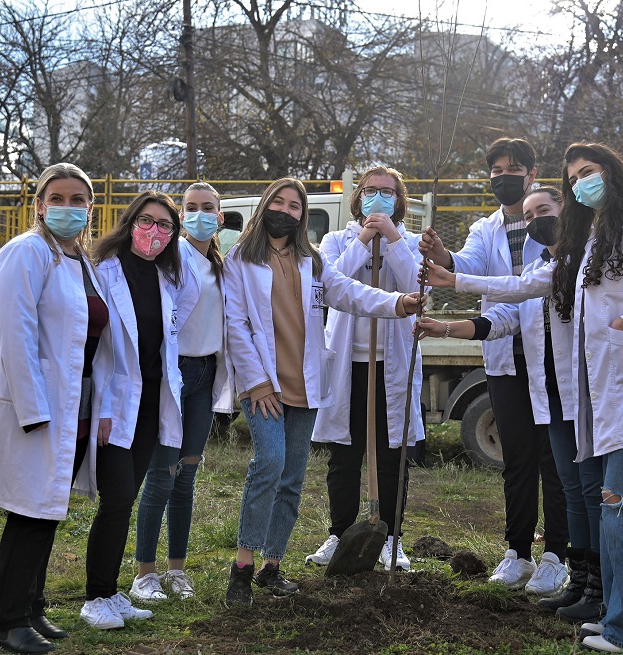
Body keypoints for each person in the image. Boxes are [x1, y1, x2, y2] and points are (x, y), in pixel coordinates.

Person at [428, 143, 623, 653]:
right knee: (613, 512)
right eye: (573, 177)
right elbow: (524, 286)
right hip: (609, 393)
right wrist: (455, 279)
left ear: (611, 174)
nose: (581, 184)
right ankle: (617, 618)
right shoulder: (592, 240)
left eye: (588, 172)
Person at [223, 177, 424, 607]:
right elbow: (235, 324)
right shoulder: (240, 258)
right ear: (264, 206)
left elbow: (348, 292)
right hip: (264, 384)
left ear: (301, 216)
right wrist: (256, 382)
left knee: (292, 478)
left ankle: (272, 565)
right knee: (269, 464)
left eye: (295, 206)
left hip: (305, 383)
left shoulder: (310, 260)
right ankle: (242, 567)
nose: (286, 211)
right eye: (279, 202)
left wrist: (396, 304)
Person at [420, 186, 605, 621]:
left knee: (584, 486)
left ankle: (584, 575)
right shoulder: (542, 267)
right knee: (568, 483)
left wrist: (453, 280)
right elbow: (504, 315)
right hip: (547, 389)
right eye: (530, 215)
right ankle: (579, 580)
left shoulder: (583, 261)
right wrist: (443, 328)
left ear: (566, 210)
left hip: (583, 388)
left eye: (544, 210)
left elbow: (516, 288)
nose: (536, 220)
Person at [0, 163, 112, 655]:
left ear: (90, 208)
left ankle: (33, 606)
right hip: (38, 405)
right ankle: (8, 621)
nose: (68, 208)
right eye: (57, 198)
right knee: (29, 512)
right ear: (39, 205)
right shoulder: (25, 252)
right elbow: (12, 334)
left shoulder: (80, 261)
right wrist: (33, 409)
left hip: (73, 403)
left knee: (47, 508)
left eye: (78, 199)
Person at [419, 138, 569, 596]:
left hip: (552, 356)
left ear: (531, 173)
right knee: (516, 457)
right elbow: (467, 265)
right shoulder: (485, 229)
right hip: (506, 355)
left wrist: (455, 276)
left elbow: (527, 286)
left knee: (555, 459)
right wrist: (443, 256)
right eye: (496, 170)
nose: (504, 176)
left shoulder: (552, 225)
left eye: (513, 169)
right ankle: (518, 552)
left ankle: (556, 556)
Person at [308, 166, 424, 572]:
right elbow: (330, 280)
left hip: (391, 362)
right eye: (370, 190)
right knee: (344, 454)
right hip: (348, 361)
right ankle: (339, 533)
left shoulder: (409, 242)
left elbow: (417, 285)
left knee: (392, 454)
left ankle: (391, 538)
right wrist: (363, 240)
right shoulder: (335, 240)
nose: (378, 197)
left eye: (387, 192)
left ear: (399, 200)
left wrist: (392, 239)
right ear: (358, 197)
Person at [79, 191, 184, 629]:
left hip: (150, 404)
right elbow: (96, 346)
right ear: (129, 223)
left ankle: (109, 591)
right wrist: (102, 407)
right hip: (114, 403)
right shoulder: (104, 271)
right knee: (117, 497)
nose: (154, 231)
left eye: (165, 225)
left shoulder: (166, 277)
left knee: (125, 501)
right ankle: (94, 598)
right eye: (146, 220)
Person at [131, 183, 232, 601]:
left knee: (186, 477)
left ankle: (176, 570)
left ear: (220, 217)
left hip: (205, 376)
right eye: (191, 208)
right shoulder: (171, 259)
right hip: (175, 375)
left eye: (208, 208)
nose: (199, 214)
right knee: (161, 476)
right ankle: (145, 574)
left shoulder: (221, 265)